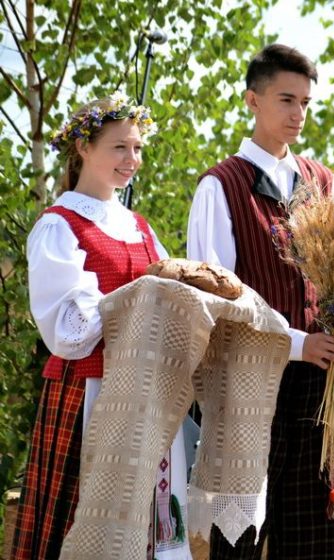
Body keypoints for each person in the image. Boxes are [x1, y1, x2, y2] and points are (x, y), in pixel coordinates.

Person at [187, 44, 334, 559]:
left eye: (307, 102)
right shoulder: (220, 186)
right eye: (286, 99)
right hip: (249, 384)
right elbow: (217, 300)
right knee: (239, 541)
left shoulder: (323, 181)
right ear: (252, 99)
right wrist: (297, 343)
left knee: (315, 538)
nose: (298, 114)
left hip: (320, 386)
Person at [11, 95, 192, 560]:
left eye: (137, 148)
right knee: (82, 523)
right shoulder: (59, 226)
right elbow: (68, 331)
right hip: (89, 391)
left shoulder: (140, 226)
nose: (131, 160)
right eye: (119, 148)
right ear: (84, 149)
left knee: (141, 527)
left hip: (145, 393)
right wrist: (139, 298)